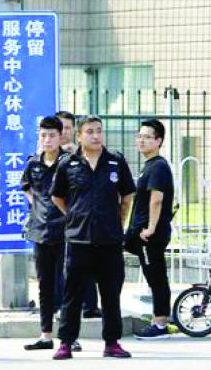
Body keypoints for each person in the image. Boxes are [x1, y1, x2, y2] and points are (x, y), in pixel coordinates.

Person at [50, 116, 136, 360]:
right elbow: (58, 197)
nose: (96, 136)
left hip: (109, 240)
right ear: (79, 136)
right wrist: (74, 217)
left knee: (110, 294)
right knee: (72, 294)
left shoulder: (115, 162)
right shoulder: (68, 164)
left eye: (99, 131)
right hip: (79, 241)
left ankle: (112, 342)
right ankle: (66, 342)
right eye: (90, 132)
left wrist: (119, 221)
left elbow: (127, 196)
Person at [22, 116, 68, 351]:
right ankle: (46, 335)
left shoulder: (70, 162)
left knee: (68, 283)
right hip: (40, 232)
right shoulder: (33, 164)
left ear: (61, 137)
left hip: (66, 232)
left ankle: (70, 337)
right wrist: (39, 208)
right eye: (43, 135)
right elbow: (27, 188)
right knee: (44, 284)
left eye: (51, 135)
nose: (47, 140)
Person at [128, 119, 175, 340]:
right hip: (145, 231)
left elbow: (157, 199)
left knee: (156, 276)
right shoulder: (150, 165)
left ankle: (160, 323)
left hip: (151, 234)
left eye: (147, 137)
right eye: (140, 136)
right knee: (153, 275)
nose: (142, 140)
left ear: (159, 141)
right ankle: (160, 318)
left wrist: (150, 228)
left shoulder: (158, 166)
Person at [54, 110, 100, 321]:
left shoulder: (80, 157)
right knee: (58, 267)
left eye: (68, 128)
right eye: (59, 128)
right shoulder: (45, 156)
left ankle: (90, 305)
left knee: (88, 264)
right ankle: (60, 306)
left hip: (82, 224)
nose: (64, 132)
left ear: (74, 131)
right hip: (54, 222)